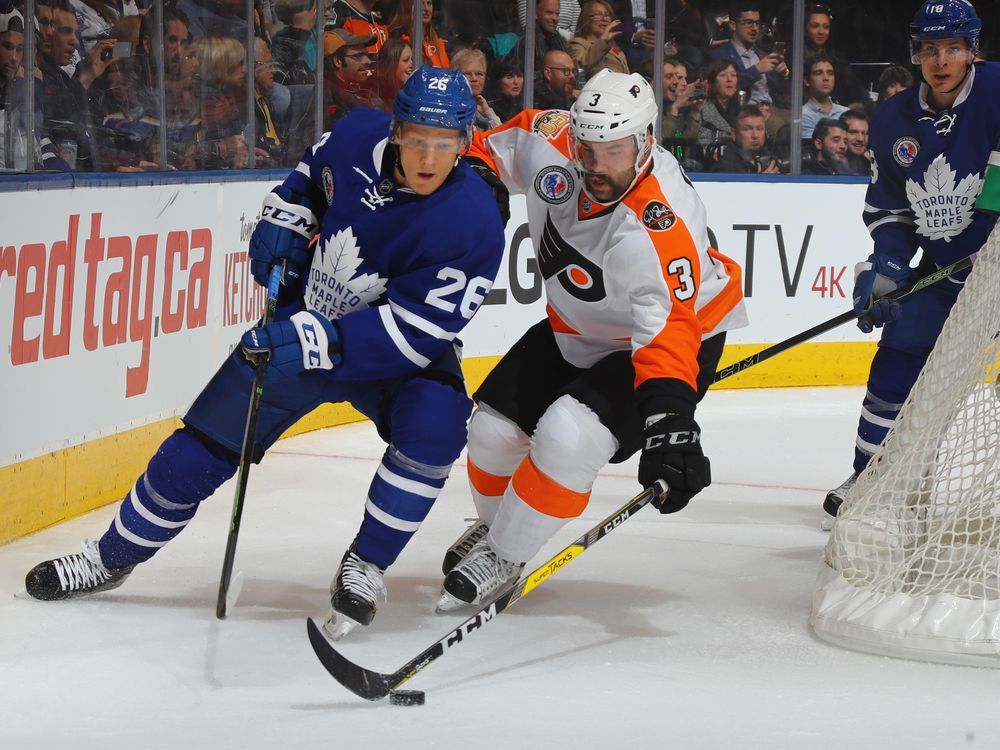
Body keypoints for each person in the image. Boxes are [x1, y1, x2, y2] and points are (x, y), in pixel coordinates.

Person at [24, 66, 507, 642]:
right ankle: (109, 557)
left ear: (465, 142)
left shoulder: (474, 221)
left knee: (436, 427)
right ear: (397, 131)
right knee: (197, 453)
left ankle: (366, 566)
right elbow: (306, 179)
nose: (429, 158)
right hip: (307, 317)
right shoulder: (355, 134)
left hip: (391, 354)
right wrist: (285, 219)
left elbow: (416, 332)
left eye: (445, 144)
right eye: (418, 140)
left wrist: (307, 340)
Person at [434, 69, 747, 609]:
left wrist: (670, 421)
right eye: (587, 146)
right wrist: (481, 189)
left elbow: (667, 329)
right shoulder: (552, 138)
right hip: (579, 328)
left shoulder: (661, 223)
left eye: (614, 150)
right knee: (490, 432)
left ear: (646, 141)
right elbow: (487, 150)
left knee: (567, 435)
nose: (595, 163)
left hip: (670, 338)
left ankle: (507, 556)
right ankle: (502, 534)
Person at [823, 0, 1000, 526]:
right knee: (899, 350)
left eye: (952, 48)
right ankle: (873, 477)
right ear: (916, 54)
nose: (940, 60)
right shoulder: (894, 118)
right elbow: (890, 207)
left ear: (972, 52)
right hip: (947, 271)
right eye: (929, 49)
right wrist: (890, 266)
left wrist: (988, 226)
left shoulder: (995, 92)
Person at [708, 1, 788, 109]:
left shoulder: (763, 55)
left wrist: (783, 74)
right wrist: (756, 70)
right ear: (733, 25)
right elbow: (724, 88)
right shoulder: (720, 55)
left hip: (772, 110)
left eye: (757, 23)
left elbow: (779, 91)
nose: (755, 28)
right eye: (748, 23)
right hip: (743, 112)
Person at [568, 0, 628, 80]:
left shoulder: (616, 49)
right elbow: (579, 67)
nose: (604, 18)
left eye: (607, 15)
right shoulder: (577, 44)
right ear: (586, 19)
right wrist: (603, 40)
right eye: (597, 14)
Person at [712, 104, 778, 174]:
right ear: (734, 134)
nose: (755, 135)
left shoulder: (769, 158)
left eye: (759, 129)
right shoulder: (727, 168)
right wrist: (762, 181)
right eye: (747, 129)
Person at [800, 54, 848, 140]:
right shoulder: (802, 115)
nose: (826, 78)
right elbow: (813, 149)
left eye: (830, 73)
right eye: (818, 73)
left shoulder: (846, 112)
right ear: (807, 81)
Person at [451, 47, 499, 130]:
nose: (474, 79)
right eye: (467, 74)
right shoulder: (450, 109)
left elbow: (500, 138)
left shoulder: (482, 108)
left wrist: (488, 112)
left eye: (479, 74)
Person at [697, 57, 739, 149]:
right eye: (723, 75)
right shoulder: (702, 109)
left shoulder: (742, 110)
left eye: (733, 75)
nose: (729, 79)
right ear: (711, 83)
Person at [373, 35, 412, 107]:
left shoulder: (411, 90)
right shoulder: (376, 91)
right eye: (406, 60)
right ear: (390, 63)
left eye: (412, 59)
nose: (411, 64)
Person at [841, 108, 871, 177]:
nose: (860, 139)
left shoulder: (873, 166)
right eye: (853, 132)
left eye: (865, 133)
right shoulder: (827, 168)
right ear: (840, 132)